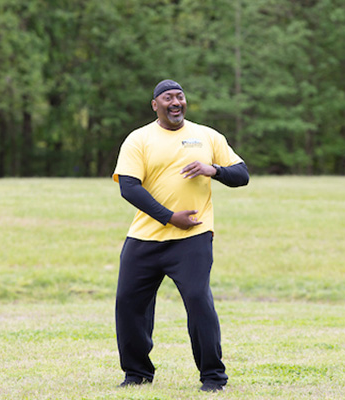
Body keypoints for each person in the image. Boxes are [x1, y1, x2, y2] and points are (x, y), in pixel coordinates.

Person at [112, 79, 249, 392]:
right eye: (168, 98)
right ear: (155, 105)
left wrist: (213, 169)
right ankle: (137, 374)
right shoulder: (139, 139)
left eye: (180, 96)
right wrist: (169, 217)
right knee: (128, 303)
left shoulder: (207, 135)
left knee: (199, 301)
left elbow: (242, 175)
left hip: (193, 238)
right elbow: (129, 187)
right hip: (145, 238)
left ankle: (213, 378)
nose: (175, 102)